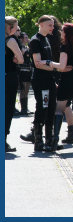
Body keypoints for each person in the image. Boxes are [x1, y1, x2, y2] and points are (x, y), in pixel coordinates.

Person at [39, 23, 73, 151]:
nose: (60, 32)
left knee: (59, 109)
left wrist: (48, 62)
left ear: (66, 34)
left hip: (67, 81)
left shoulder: (65, 48)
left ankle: (55, 139)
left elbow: (61, 67)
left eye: (62, 31)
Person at [29, 15, 58, 151]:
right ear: (41, 25)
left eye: (53, 25)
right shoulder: (35, 41)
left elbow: (45, 62)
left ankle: (50, 140)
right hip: (41, 81)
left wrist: (52, 68)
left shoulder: (47, 39)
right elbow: (37, 63)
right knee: (42, 108)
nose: (52, 27)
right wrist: (55, 66)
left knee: (51, 108)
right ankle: (38, 140)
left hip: (49, 80)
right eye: (50, 25)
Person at [5, 16, 24, 152]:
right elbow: (21, 59)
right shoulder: (10, 40)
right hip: (9, 76)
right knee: (8, 107)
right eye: (16, 27)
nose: (17, 29)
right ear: (9, 27)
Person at [17, 31, 33, 116]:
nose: (27, 39)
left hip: (28, 70)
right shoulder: (21, 47)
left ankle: (26, 107)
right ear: (22, 39)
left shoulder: (27, 46)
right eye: (26, 37)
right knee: (23, 90)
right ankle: (23, 109)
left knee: (27, 89)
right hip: (22, 71)